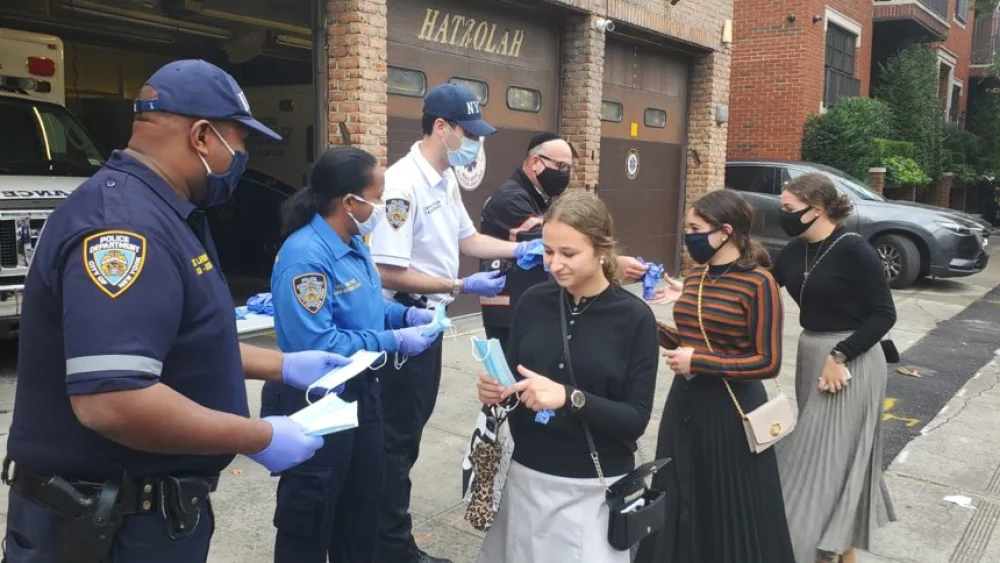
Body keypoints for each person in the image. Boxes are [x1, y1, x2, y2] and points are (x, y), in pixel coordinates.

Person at [2, 59, 346, 563]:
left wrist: (284, 365)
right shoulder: (126, 228)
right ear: (203, 136)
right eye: (241, 142)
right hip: (103, 529)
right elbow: (113, 399)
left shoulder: (165, 210)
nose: (243, 158)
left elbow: (178, 343)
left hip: (135, 517)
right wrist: (260, 436)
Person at [369, 83, 538, 563]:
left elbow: (469, 240)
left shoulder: (443, 179)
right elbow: (387, 269)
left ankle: (389, 540)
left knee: (409, 433)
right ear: (441, 127)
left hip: (430, 322)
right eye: (470, 133)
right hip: (405, 324)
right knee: (397, 440)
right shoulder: (402, 185)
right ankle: (390, 548)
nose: (475, 144)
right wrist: (460, 285)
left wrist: (522, 249)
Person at [262, 146, 439, 563]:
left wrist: (404, 315)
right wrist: (394, 341)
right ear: (349, 202)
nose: (382, 207)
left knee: (361, 514)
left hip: (363, 394)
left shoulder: (355, 243)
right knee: (310, 522)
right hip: (317, 401)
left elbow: (368, 306)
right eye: (377, 198)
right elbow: (320, 345)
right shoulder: (305, 256)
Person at [474, 190, 659, 562]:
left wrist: (569, 397)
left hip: (593, 486)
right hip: (525, 476)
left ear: (602, 249)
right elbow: (515, 380)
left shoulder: (634, 318)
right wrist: (495, 389)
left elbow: (635, 419)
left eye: (568, 253)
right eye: (547, 251)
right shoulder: (532, 301)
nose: (555, 264)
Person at [635, 189, 795, 563]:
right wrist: (649, 324)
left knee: (729, 500)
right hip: (686, 404)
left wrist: (699, 362)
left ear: (725, 231)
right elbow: (691, 340)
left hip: (731, 411)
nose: (687, 236)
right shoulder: (696, 276)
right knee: (679, 488)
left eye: (695, 228)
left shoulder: (759, 283)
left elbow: (768, 362)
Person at [771, 173, 897, 563]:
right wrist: (694, 290)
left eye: (789, 208)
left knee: (823, 460)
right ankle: (841, 552)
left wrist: (840, 355)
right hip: (812, 355)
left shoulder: (855, 250)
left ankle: (811, 549)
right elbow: (759, 288)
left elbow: (884, 315)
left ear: (818, 209)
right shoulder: (795, 251)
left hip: (851, 363)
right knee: (831, 461)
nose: (782, 214)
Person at [477, 132, 650, 344]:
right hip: (511, 310)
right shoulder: (511, 199)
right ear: (535, 162)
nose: (565, 174)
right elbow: (555, 243)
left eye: (568, 168)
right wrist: (609, 263)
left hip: (530, 305)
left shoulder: (541, 198)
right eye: (561, 167)